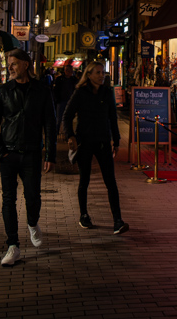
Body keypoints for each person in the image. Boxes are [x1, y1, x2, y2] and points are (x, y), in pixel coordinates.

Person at [0, 49, 56, 267]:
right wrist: (0, 151)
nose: (11, 68)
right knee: (9, 199)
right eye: (9, 64)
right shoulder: (4, 90)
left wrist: (50, 154)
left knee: (33, 196)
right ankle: (12, 246)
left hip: (32, 153)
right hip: (8, 153)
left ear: (26, 64)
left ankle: (33, 223)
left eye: (15, 63)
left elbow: (50, 125)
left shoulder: (42, 90)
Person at [62, 61, 129, 235]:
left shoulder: (107, 92)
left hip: (103, 141)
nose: (102, 75)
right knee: (84, 179)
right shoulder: (80, 93)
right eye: (98, 72)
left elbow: (112, 118)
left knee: (111, 182)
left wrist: (117, 139)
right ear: (89, 74)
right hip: (85, 142)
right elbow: (67, 116)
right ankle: (84, 215)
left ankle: (118, 220)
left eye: (103, 72)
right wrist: (70, 136)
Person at [52, 58, 78, 131]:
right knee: (59, 118)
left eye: (70, 71)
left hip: (70, 101)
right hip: (61, 101)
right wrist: (57, 99)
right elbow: (55, 90)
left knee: (69, 118)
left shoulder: (74, 80)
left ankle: (67, 133)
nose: (69, 72)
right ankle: (56, 132)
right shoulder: (59, 79)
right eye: (67, 70)